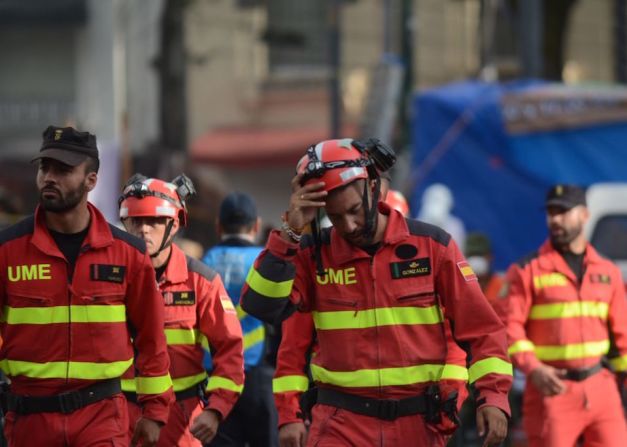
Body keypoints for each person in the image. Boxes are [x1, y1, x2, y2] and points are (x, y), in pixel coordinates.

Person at [241, 138, 512, 447]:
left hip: (419, 426)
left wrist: (492, 396)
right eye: (336, 216)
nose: (349, 224)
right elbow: (261, 305)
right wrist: (290, 231)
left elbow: (483, 329)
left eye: (354, 210)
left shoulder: (433, 247)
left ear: (374, 187)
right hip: (339, 426)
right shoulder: (309, 253)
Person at [0, 125, 173, 447]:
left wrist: (155, 412)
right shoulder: (6, 250)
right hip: (29, 420)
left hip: (102, 418)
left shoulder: (129, 254)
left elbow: (151, 339)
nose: (49, 177)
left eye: (63, 170)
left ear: (91, 180)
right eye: (44, 168)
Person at [272, 178, 470, 447]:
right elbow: (292, 349)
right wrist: (289, 415)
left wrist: (451, 400)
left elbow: (456, 341)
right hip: (342, 421)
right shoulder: (319, 265)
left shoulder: (429, 254)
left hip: (417, 420)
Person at [118, 175, 245, 447]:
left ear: (174, 224)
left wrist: (215, 409)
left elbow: (230, 349)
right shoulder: (107, 278)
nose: (144, 230)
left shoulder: (201, 282)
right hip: (116, 415)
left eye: (154, 221)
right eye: (136, 221)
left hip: (181, 419)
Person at [500, 184, 627, 447]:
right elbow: (510, 328)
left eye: (563, 212)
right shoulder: (528, 270)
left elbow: (623, 334)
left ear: (584, 215)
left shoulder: (607, 271)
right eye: (551, 212)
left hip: (601, 387)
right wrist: (534, 369)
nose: (555, 219)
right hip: (551, 389)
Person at [201, 192, 278, 446]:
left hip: (215, 376)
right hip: (258, 376)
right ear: (256, 225)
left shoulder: (204, 263)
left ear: (218, 226)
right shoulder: (264, 262)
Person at [464, 232, 504, 304]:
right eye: (472, 255)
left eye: (480, 255)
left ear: (490, 257)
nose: (476, 260)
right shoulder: (456, 288)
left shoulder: (502, 288)